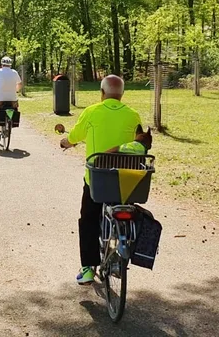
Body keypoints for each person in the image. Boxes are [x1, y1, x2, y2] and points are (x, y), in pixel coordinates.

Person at [59, 75, 142, 285]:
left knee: (88, 219)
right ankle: (122, 248)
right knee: (127, 210)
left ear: (102, 93)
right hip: (127, 180)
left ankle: (88, 268)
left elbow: (75, 136)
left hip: (98, 180)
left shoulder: (92, 111)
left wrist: (66, 142)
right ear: (122, 94)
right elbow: (138, 143)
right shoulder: (133, 115)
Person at [0, 56, 22, 141]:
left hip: (0, 98)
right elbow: (20, 84)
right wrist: (16, 91)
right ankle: (9, 123)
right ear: (10, 64)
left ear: (2, 64)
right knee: (13, 110)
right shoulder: (14, 72)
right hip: (12, 98)